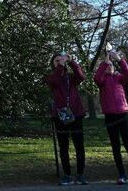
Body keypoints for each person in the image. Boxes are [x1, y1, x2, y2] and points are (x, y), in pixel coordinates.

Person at [94, 47, 128, 185]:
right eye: (106, 66)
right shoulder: (101, 81)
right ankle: (121, 173)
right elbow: (97, 77)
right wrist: (105, 61)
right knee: (115, 146)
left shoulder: (120, 78)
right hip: (110, 116)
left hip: (123, 114)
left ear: (114, 68)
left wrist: (119, 59)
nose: (109, 67)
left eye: (111, 66)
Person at [44, 51, 87, 186]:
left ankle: (80, 174)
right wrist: (60, 66)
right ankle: (67, 174)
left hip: (76, 113)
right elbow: (55, 82)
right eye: (56, 61)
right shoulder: (50, 77)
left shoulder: (71, 77)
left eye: (61, 60)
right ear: (53, 64)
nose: (59, 62)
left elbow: (81, 77)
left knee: (79, 145)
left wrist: (72, 61)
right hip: (60, 115)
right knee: (63, 147)